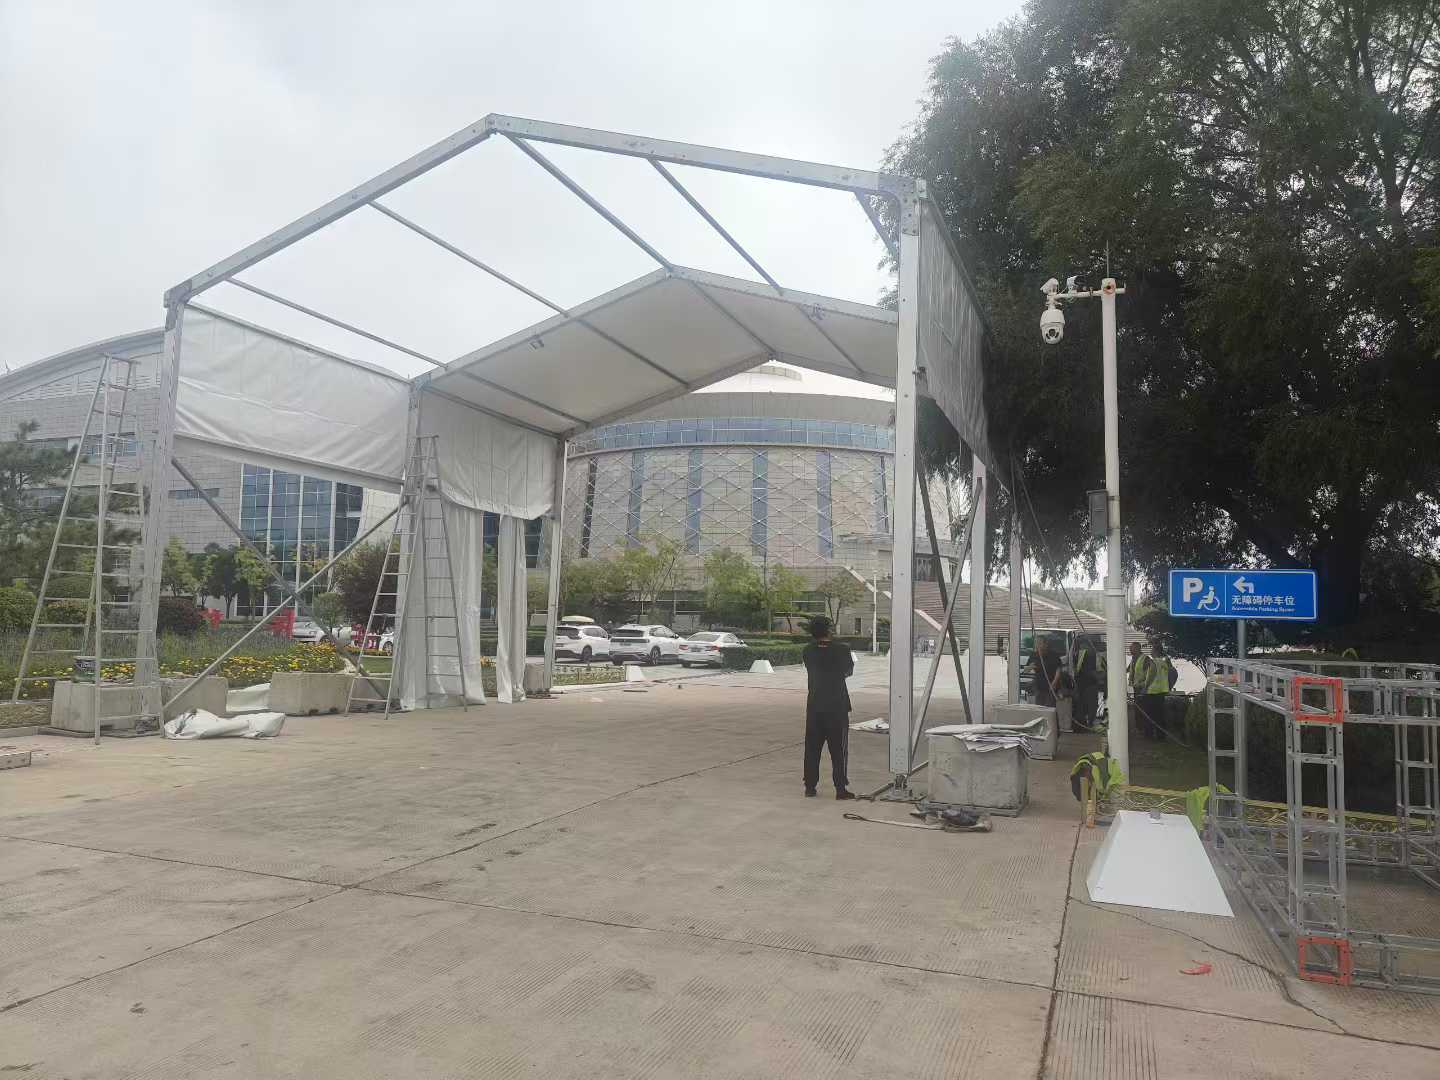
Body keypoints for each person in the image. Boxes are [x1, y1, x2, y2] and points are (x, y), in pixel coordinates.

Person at [802, 615, 855, 800]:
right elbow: (848, 671)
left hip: (815, 705)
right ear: (829, 630)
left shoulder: (807, 650)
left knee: (812, 748)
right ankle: (840, 788)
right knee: (839, 749)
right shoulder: (842, 649)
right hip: (836, 706)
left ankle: (810, 786)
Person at [1130, 641, 1174, 739]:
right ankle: (1161, 736)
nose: (1151, 652)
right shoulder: (1165, 662)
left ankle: (1148, 735)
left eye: (1152, 650)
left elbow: (1150, 677)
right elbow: (1173, 673)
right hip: (1162, 691)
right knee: (1160, 714)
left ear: (1156, 651)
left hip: (1151, 692)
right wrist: (1169, 686)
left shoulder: (1152, 662)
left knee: (1149, 715)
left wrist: (1144, 688)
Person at [1072, 635, 1101, 732]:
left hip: (1084, 683)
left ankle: (1084, 724)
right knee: (1090, 705)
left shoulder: (1082, 653)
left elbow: (1077, 669)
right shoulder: (1093, 653)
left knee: (1083, 704)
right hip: (1088, 683)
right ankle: (1088, 723)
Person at [1028, 635, 1063, 709]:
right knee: (1039, 706)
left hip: (1051, 685)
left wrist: (1055, 682)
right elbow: (1027, 669)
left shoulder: (1054, 655)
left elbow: (1058, 669)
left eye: (1039, 643)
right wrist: (1029, 667)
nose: (1037, 645)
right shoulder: (1034, 655)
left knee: (1050, 707)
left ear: (1046, 644)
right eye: (1036, 643)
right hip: (1039, 686)